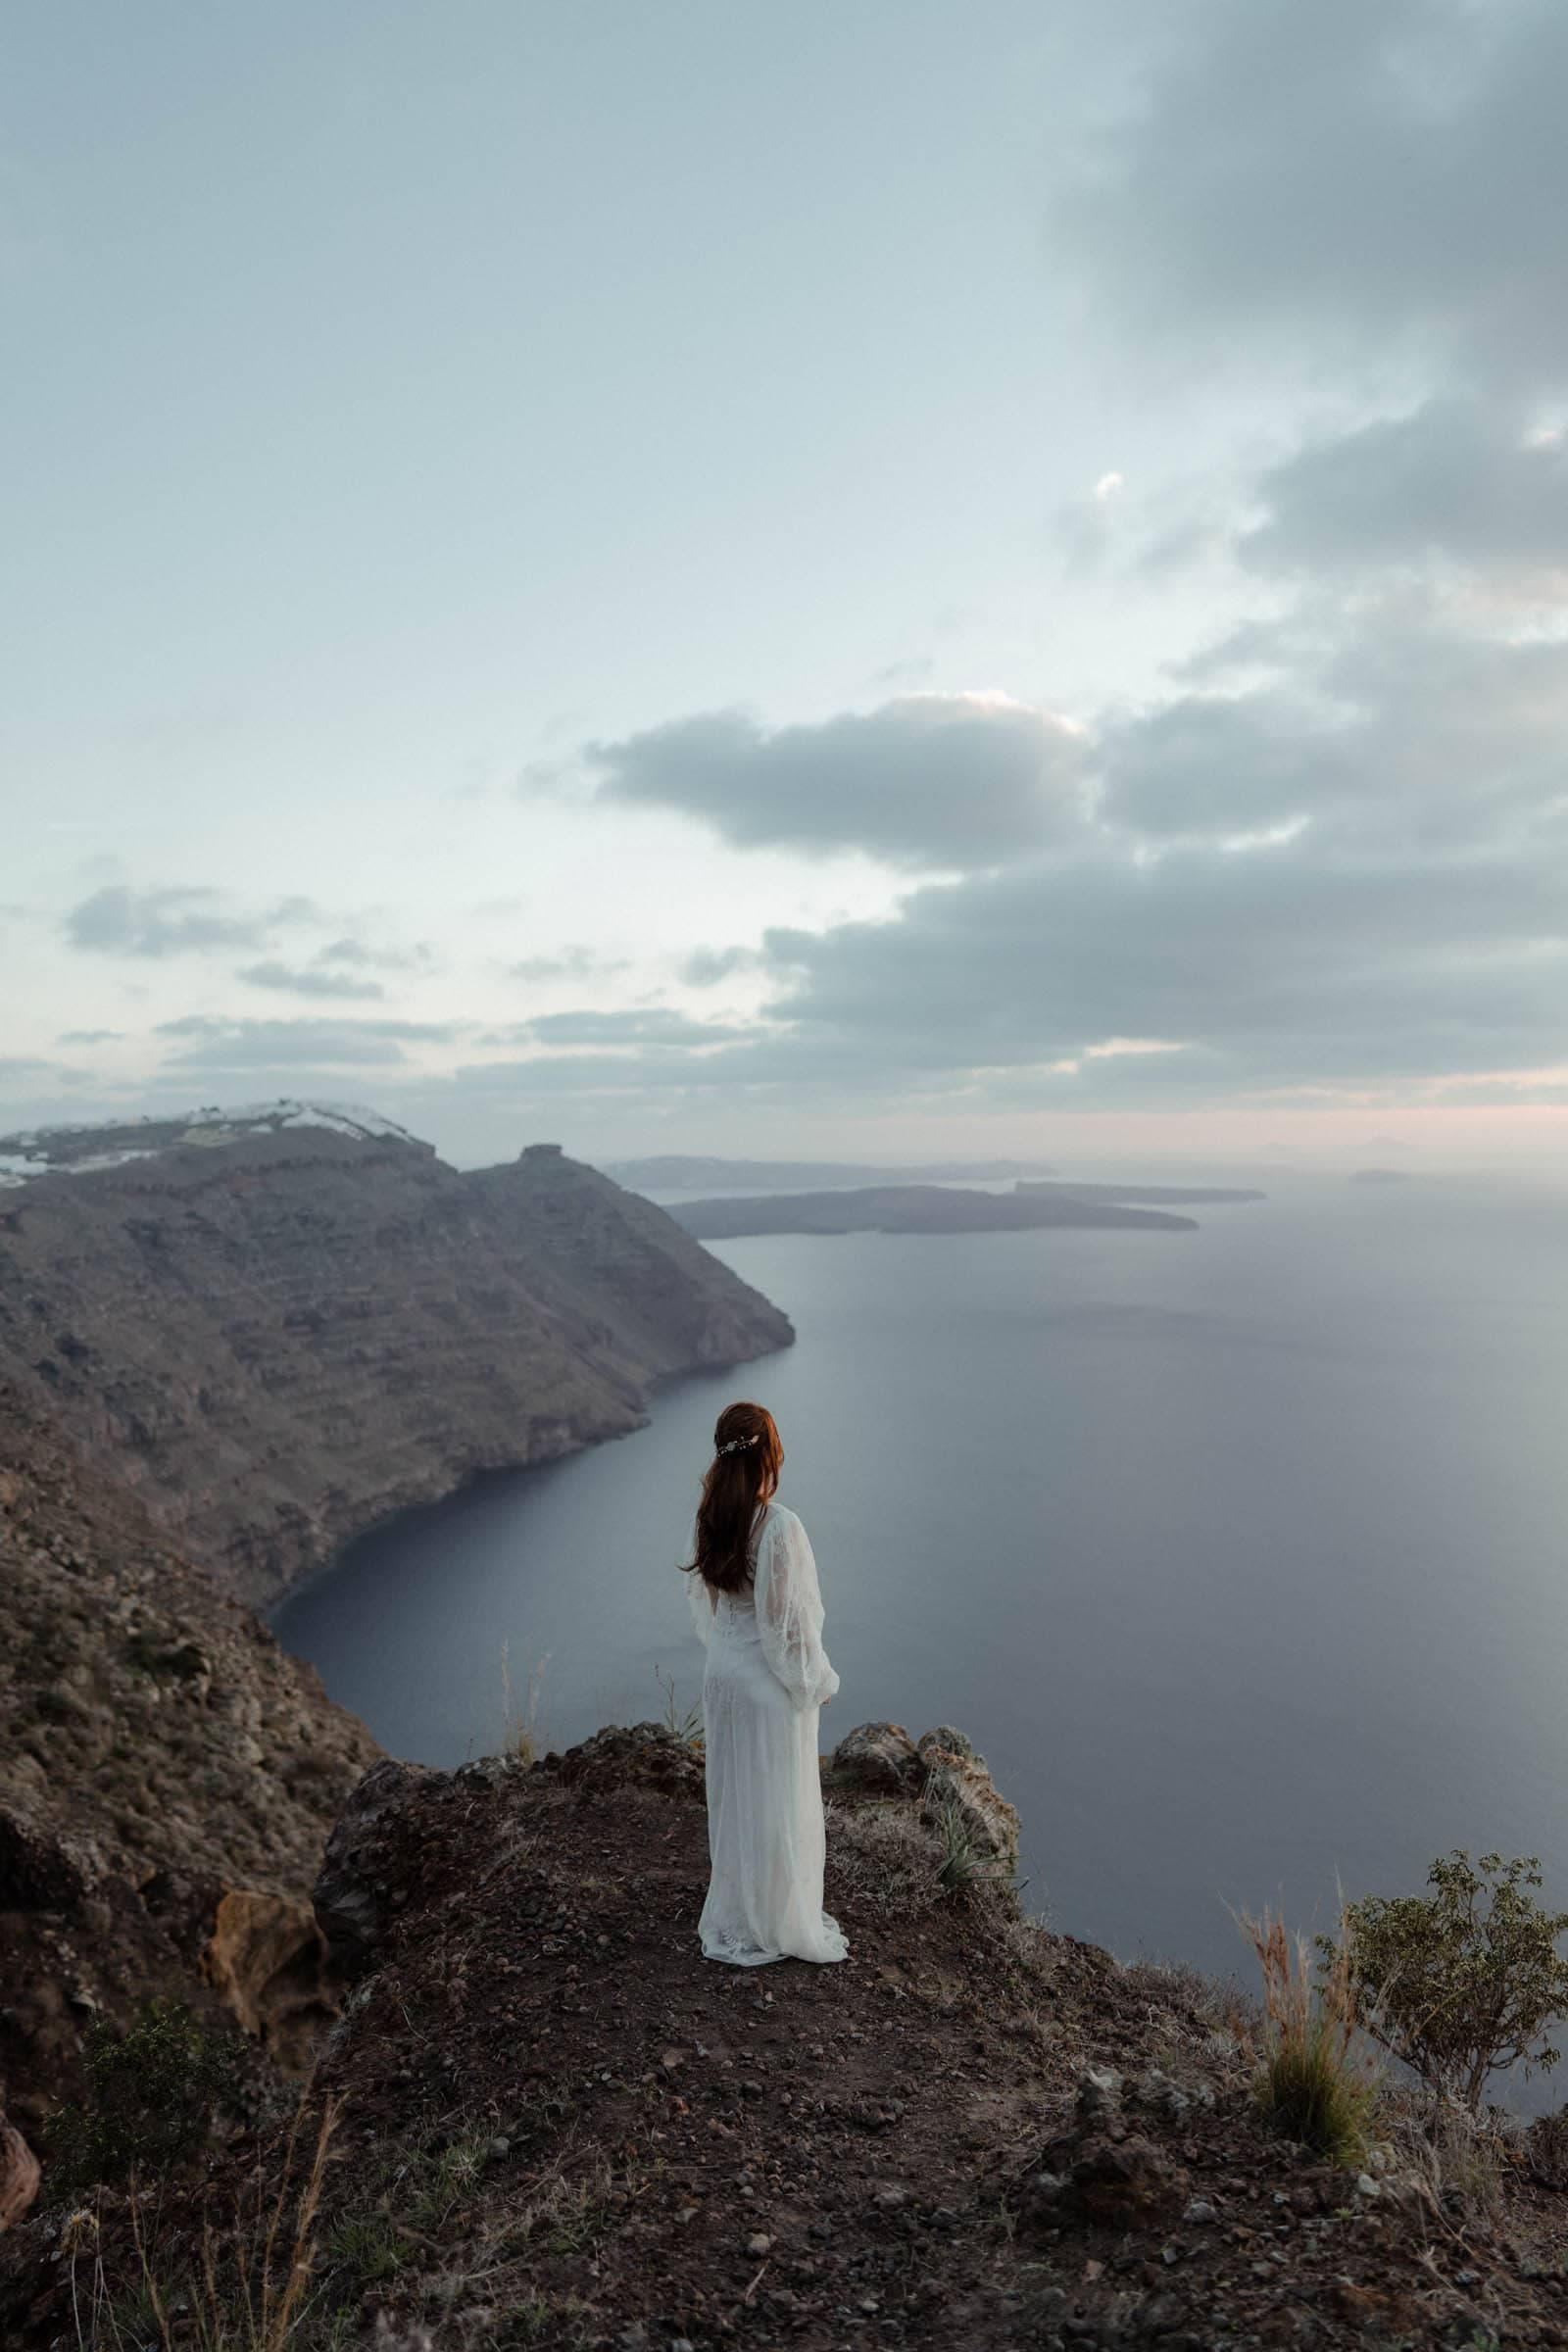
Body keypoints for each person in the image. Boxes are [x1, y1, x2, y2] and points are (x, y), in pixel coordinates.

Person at [681, 1399, 849, 1967]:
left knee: (736, 1798)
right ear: (769, 1454)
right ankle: (775, 1917)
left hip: (723, 1678)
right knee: (777, 1801)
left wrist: (730, 1653)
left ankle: (737, 1909)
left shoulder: (709, 1517)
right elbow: (786, 1627)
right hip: (763, 1685)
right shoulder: (779, 1526)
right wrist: (816, 1682)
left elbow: (710, 1605)